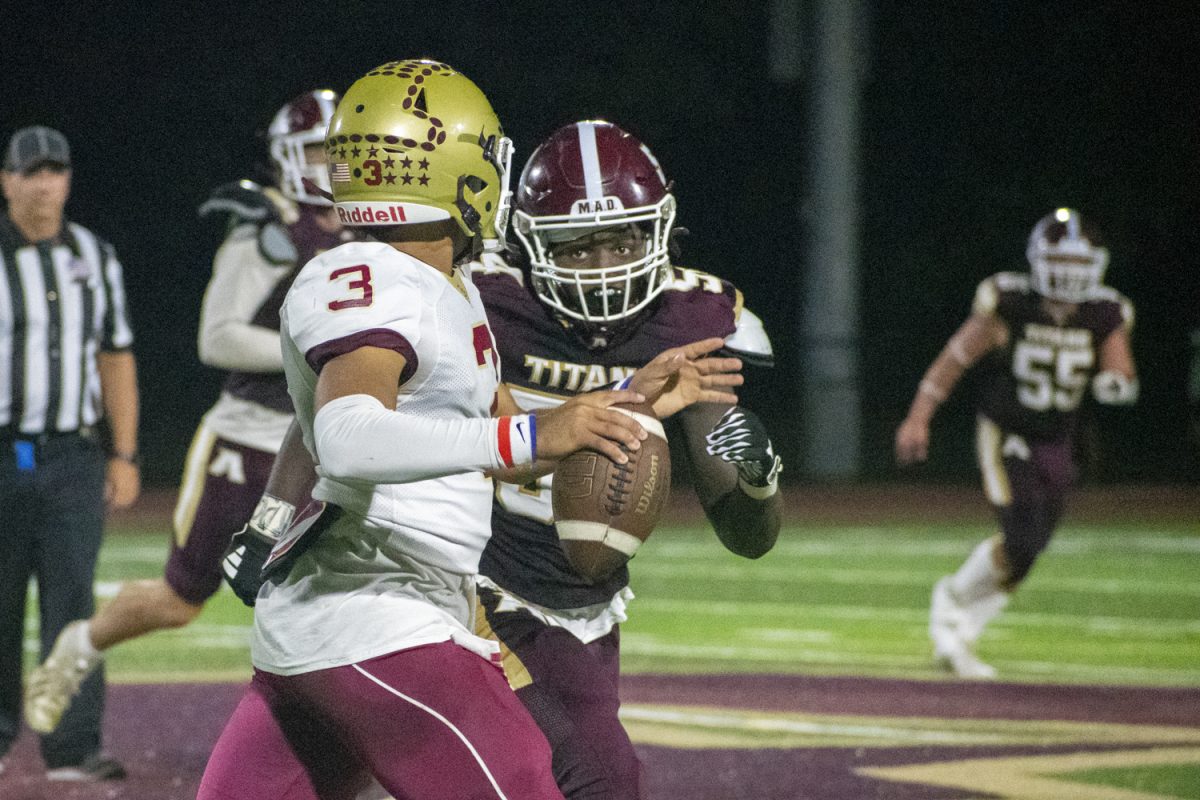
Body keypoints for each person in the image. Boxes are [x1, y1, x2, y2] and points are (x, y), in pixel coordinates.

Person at [198, 61, 741, 800]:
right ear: (455, 172)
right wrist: (531, 438)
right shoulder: (375, 280)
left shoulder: (436, 282)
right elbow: (349, 436)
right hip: (383, 622)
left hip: (340, 623)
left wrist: (623, 404)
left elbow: (487, 440)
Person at [469, 120, 783, 799]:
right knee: (593, 776)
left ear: (660, 230)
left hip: (583, 600)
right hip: (470, 582)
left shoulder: (693, 319)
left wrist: (755, 474)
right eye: (576, 247)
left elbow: (748, 535)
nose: (605, 263)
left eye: (623, 238)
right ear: (529, 242)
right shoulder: (481, 297)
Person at [22, 90, 349, 738]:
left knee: (333, 596)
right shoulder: (268, 228)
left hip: (322, 444)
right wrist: (316, 351)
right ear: (287, 156)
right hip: (244, 441)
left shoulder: (369, 227)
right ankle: (75, 650)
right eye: (318, 150)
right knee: (178, 600)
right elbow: (217, 337)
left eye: (339, 150)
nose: (331, 163)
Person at [895, 207, 1138, 679]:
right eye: (1060, 263)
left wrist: (1116, 380)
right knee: (1021, 536)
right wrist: (918, 417)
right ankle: (951, 601)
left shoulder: (1105, 312)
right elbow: (954, 360)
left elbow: (1120, 365)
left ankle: (962, 630)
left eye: (1077, 265)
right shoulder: (1009, 303)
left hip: (1058, 439)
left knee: (1029, 551)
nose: (1067, 275)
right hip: (1006, 432)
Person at [0, 125, 140, 781]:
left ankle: (74, 746)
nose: (45, 184)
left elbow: (115, 356)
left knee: (73, 601)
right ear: (7, 181)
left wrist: (126, 452)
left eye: (56, 171)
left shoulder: (94, 254)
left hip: (72, 459)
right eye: (32, 172)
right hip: (3, 456)